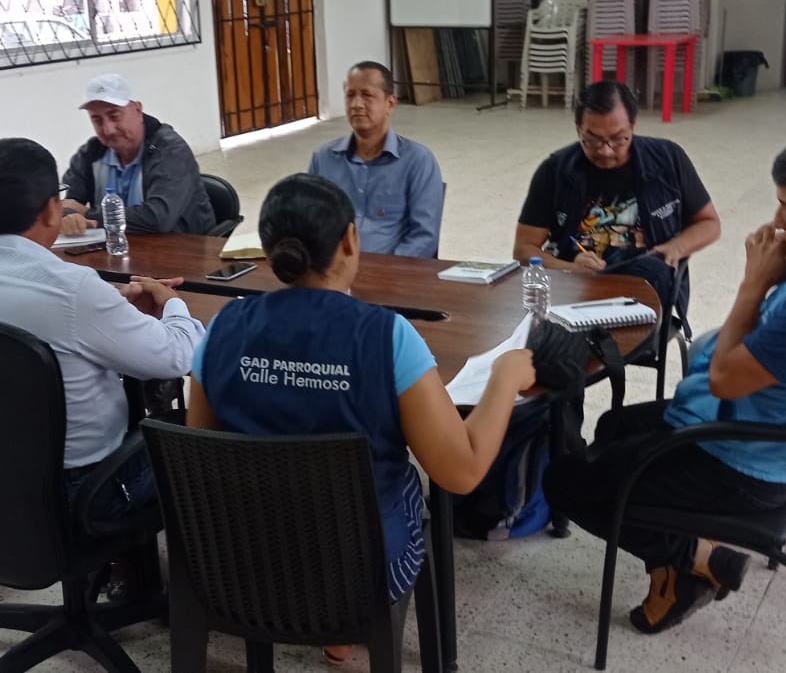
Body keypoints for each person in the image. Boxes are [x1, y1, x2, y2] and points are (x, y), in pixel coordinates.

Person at [543, 129, 786, 635]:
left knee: (563, 482)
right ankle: (674, 566)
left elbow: (725, 380)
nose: (777, 222)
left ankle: (698, 557)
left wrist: (754, 283)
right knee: (613, 428)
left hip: (743, 462)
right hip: (762, 431)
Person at [187, 173, 535, 664]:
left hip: (241, 565)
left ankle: (330, 631)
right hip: (361, 573)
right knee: (404, 484)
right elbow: (462, 471)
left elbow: (202, 449)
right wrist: (505, 376)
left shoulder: (222, 327)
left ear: (266, 251)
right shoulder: (386, 337)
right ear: (351, 240)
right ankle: (340, 628)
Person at [0, 138, 205, 526]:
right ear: (51, 210)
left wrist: (111, 301)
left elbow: (29, 304)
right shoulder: (74, 290)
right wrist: (172, 304)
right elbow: (177, 357)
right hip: (84, 491)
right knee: (203, 441)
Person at [514, 80, 721, 313]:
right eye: (592, 140)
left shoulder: (667, 160)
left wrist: (676, 247)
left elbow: (709, 222)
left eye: (618, 139)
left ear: (632, 126)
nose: (605, 150)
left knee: (654, 270)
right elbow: (524, 249)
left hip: (646, 290)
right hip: (577, 294)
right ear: (578, 129)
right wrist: (569, 267)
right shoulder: (555, 171)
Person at [307, 61, 446, 257]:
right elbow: (308, 223)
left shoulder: (418, 161)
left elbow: (424, 236)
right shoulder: (323, 158)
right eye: (350, 95)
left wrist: (386, 271)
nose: (356, 104)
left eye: (367, 95)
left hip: (391, 271)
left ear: (390, 104)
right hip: (332, 269)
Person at [58, 74, 216, 237]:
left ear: (138, 110)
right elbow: (69, 204)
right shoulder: (90, 153)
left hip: (184, 246)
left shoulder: (170, 150)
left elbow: (158, 218)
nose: (108, 129)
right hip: (118, 246)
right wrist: (69, 216)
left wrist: (88, 213)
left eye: (114, 116)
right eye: (97, 120)